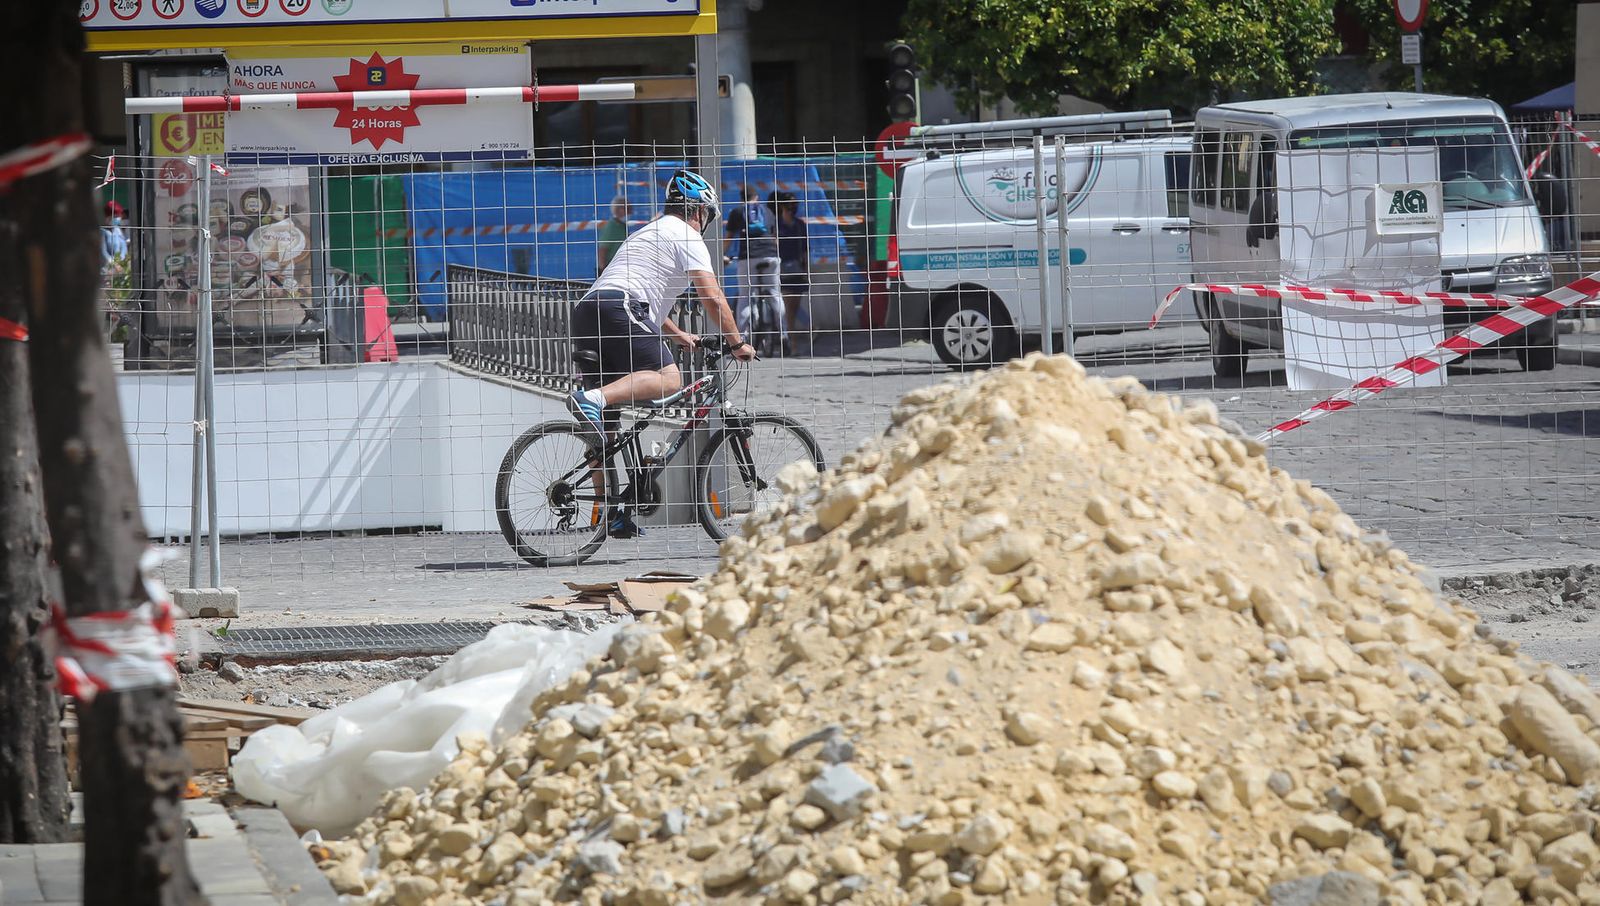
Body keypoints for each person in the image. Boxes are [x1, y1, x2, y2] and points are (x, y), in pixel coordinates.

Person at [568, 170, 754, 534]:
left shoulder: (647, 232)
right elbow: (713, 298)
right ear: (699, 210)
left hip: (589, 310)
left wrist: (679, 333)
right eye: (707, 216)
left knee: (604, 428)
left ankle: (609, 514)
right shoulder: (686, 235)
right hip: (622, 306)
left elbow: (640, 289)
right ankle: (591, 398)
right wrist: (737, 342)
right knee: (671, 380)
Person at [722, 185, 783, 344]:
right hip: (771, 255)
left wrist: (721, 255)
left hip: (748, 257)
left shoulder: (737, 212)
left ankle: (741, 337)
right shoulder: (767, 211)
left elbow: (728, 238)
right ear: (757, 197)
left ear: (742, 199)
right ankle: (784, 333)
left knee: (745, 296)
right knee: (775, 293)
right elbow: (775, 237)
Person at [772, 191, 811, 351]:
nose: (792, 208)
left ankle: (791, 337)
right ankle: (792, 342)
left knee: (794, 307)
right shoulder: (776, 225)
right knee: (788, 307)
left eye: (794, 204)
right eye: (789, 204)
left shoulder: (800, 224)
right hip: (782, 269)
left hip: (797, 269)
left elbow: (805, 250)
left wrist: (807, 271)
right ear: (781, 206)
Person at [595, 195, 629, 272]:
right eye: (628, 208)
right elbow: (602, 250)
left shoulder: (622, 226)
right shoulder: (611, 227)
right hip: (612, 270)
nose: (631, 211)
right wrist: (603, 271)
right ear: (619, 210)